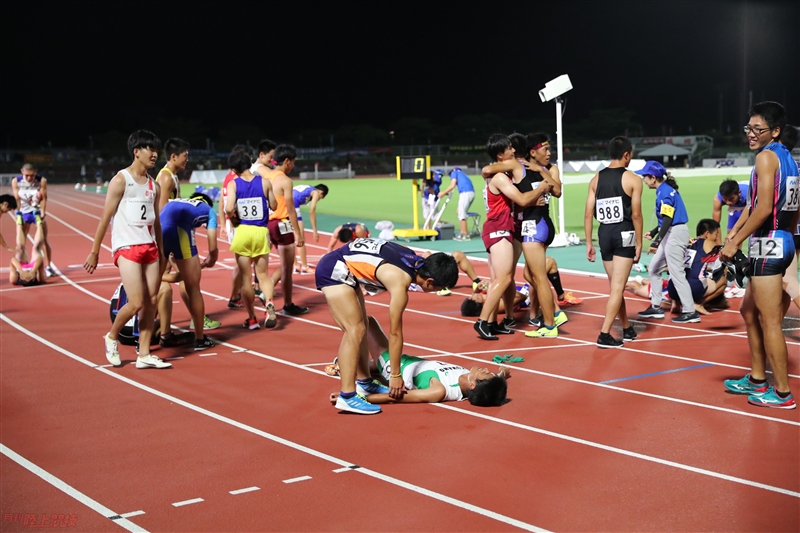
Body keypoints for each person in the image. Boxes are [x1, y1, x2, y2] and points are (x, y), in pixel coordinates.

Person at [316, 237, 458, 414]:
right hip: (334, 269)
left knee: (363, 325)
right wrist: (395, 375)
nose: (438, 292)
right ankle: (347, 396)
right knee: (354, 330)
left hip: (345, 267)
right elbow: (395, 333)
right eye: (438, 288)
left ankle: (365, 383)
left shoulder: (414, 259)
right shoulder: (400, 283)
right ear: (429, 281)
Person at [721, 102, 798, 409]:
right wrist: (737, 231)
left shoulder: (766, 158)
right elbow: (756, 206)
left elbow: (764, 209)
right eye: (748, 128)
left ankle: (782, 393)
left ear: (775, 131)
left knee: (770, 322)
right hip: (780, 241)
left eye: (758, 129)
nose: (751, 134)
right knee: (748, 312)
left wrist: (735, 242)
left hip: (769, 244)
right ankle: (756, 378)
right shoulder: (787, 158)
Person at [83, 130, 171, 369]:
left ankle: (143, 354)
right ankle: (111, 337)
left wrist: (162, 251)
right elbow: (105, 218)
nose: (154, 154)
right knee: (136, 302)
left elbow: (157, 223)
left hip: (150, 247)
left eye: (155, 150)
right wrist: (94, 250)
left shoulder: (154, 186)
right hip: (127, 247)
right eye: (149, 149)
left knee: (152, 300)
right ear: (136, 152)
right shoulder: (121, 179)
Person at [328, 316, 510, 406]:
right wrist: (503, 374)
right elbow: (496, 380)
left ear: (472, 385)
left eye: (485, 373)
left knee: (363, 322)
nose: (486, 369)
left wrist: (351, 396)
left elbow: (396, 397)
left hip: (392, 365)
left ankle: (346, 364)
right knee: (369, 363)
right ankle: (345, 365)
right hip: (407, 359)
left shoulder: (440, 390)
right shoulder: (474, 381)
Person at [474, 134, 551, 340]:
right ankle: (482, 321)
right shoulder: (500, 177)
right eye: (509, 148)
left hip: (497, 227)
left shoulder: (501, 173)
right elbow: (522, 200)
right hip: (499, 227)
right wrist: (541, 189)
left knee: (498, 279)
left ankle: (492, 322)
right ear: (500, 154)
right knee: (505, 277)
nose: (514, 151)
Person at [584, 136, 643, 348]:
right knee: (617, 287)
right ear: (626, 155)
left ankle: (626, 327)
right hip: (624, 234)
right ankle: (605, 334)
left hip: (604, 235)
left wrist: (589, 242)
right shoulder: (633, 180)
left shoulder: (595, 180)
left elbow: (588, 213)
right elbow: (636, 215)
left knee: (615, 287)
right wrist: (638, 243)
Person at [636, 161, 699, 324]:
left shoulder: (664, 193)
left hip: (675, 234)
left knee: (676, 273)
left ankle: (690, 311)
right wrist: (655, 232)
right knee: (655, 269)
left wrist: (656, 242)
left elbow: (668, 219)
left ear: (653, 177)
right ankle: (656, 307)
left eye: (645, 176)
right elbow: (666, 219)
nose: (643, 179)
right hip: (671, 232)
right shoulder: (663, 191)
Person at [225, 145, 278, 330]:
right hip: (261, 232)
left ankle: (252, 318)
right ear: (249, 163)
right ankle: (269, 302)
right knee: (262, 275)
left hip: (243, 231)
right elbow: (274, 205)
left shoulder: (233, 184)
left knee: (246, 278)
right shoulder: (264, 182)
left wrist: (233, 220)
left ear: (234, 170)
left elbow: (229, 208)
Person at [159, 193, 219, 350]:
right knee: (193, 287)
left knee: (153, 287)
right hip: (180, 231)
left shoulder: (177, 201)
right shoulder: (209, 211)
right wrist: (212, 258)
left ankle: (141, 341)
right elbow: (212, 246)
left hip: (160, 229)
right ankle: (200, 339)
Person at [265, 144, 308, 316]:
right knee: (286, 268)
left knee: (261, 269)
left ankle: (267, 297)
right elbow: (291, 209)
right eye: (293, 163)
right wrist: (298, 233)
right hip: (282, 225)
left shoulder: (266, 177)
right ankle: (288, 304)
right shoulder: (285, 181)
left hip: (266, 225)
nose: (293, 166)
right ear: (287, 161)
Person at [666, 219, 728, 315]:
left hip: (673, 287)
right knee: (723, 281)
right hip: (693, 288)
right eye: (716, 235)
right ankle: (699, 304)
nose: (716, 238)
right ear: (707, 234)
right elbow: (723, 266)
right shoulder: (710, 243)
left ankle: (676, 303)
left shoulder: (686, 241)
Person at [12, 163, 54, 277]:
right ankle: (23, 265)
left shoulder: (42, 181)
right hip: (24, 212)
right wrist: (18, 212)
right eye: (27, 175)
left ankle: (49, 266)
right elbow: (16, 198)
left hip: (36, 212)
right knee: (21, 243)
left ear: (35, 172)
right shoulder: (16, 181)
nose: (29, 178)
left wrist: (42, 212)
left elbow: (44, 198)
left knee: (44, 240)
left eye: (31, 175)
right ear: (22, 172)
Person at [219, 167, 244, 309]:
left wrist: (223, 224)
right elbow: (228, 205)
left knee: (241, 260)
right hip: (237, 222)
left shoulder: (227, 178)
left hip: (231, 222)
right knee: (241, 262)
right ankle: (234, 296)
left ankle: (239, 293)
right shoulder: (236, 180)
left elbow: (222, 203)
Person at [292, 183, 329, 273]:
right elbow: (312, 211)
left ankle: (296, 265)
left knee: (288, 239)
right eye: (320, 198)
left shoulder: (306, 188)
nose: (318, 199)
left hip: (284, 204)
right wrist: (315, 231)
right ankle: (305, 267)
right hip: (292, 206)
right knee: (300, 238)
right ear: (321, 192)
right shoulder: (315, 192)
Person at [439, 167, 476, 241]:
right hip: (470, 193)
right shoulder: (462, 174)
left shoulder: (454, 173)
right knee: (460, 211)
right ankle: (462, 233)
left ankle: (465, 235)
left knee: (462, 214)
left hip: (465, 193)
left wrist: (443, 193)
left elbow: (452, 185)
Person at [9, 212, 45, 286]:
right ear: (33, 278)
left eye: (26, 278)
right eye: (30, 278)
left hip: (21, 264)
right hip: (33, 265)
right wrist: (34, 271)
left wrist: (21, 271)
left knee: (20, 247)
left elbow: (12, 259)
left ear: (21, 278)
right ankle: (39, 223)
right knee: (36, 247)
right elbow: (40, 258)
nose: (28, 276)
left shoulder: (14, 279)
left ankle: (19, 223)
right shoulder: (39, 278)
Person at [156, 138, 190, 211]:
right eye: (185, 156)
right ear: (174, 156)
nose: (187, 160)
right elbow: (161, 211)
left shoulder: (173, 176)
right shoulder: (166, 177)